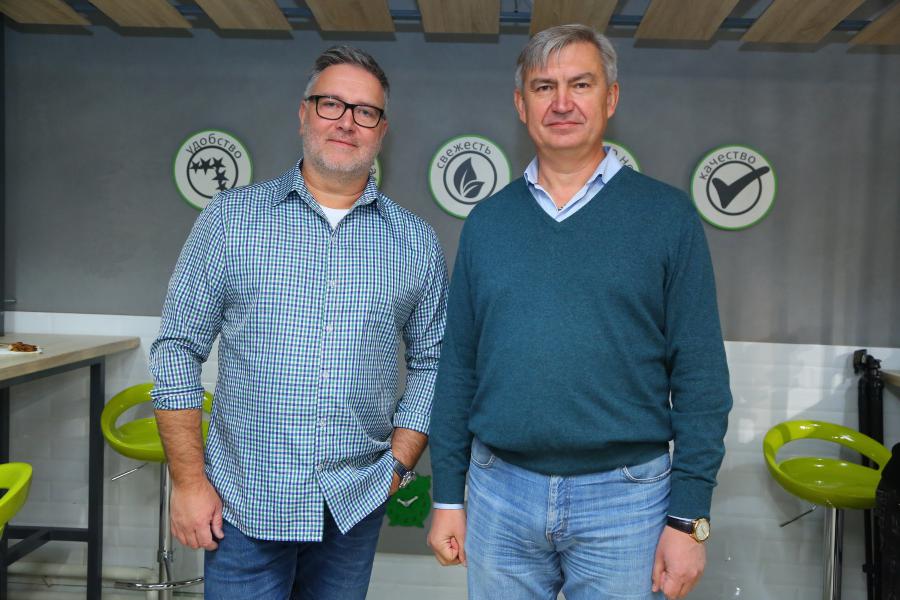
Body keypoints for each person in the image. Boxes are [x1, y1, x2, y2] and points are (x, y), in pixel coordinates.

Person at [427, 25, 732, 600]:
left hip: (628, 501)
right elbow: (458, 367)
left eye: (580, 84)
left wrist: (689, 516)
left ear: (610, 98)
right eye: (544, 87)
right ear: (521, 105)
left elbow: (702, 377)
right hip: (499, 493)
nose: (561, 103)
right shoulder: (488, 223)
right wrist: (447, 494)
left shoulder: (667, 217)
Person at [150, 45, 448, 600]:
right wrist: (188, 483)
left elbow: (435, 362)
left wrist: (399, 463)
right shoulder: (231, 220)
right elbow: (176, 348)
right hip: (243, 505)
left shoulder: (414, 241)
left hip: (353, 506)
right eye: (331, 104)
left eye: (365, 111)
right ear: (304, 113)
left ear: (382, 131)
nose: (347, 122)